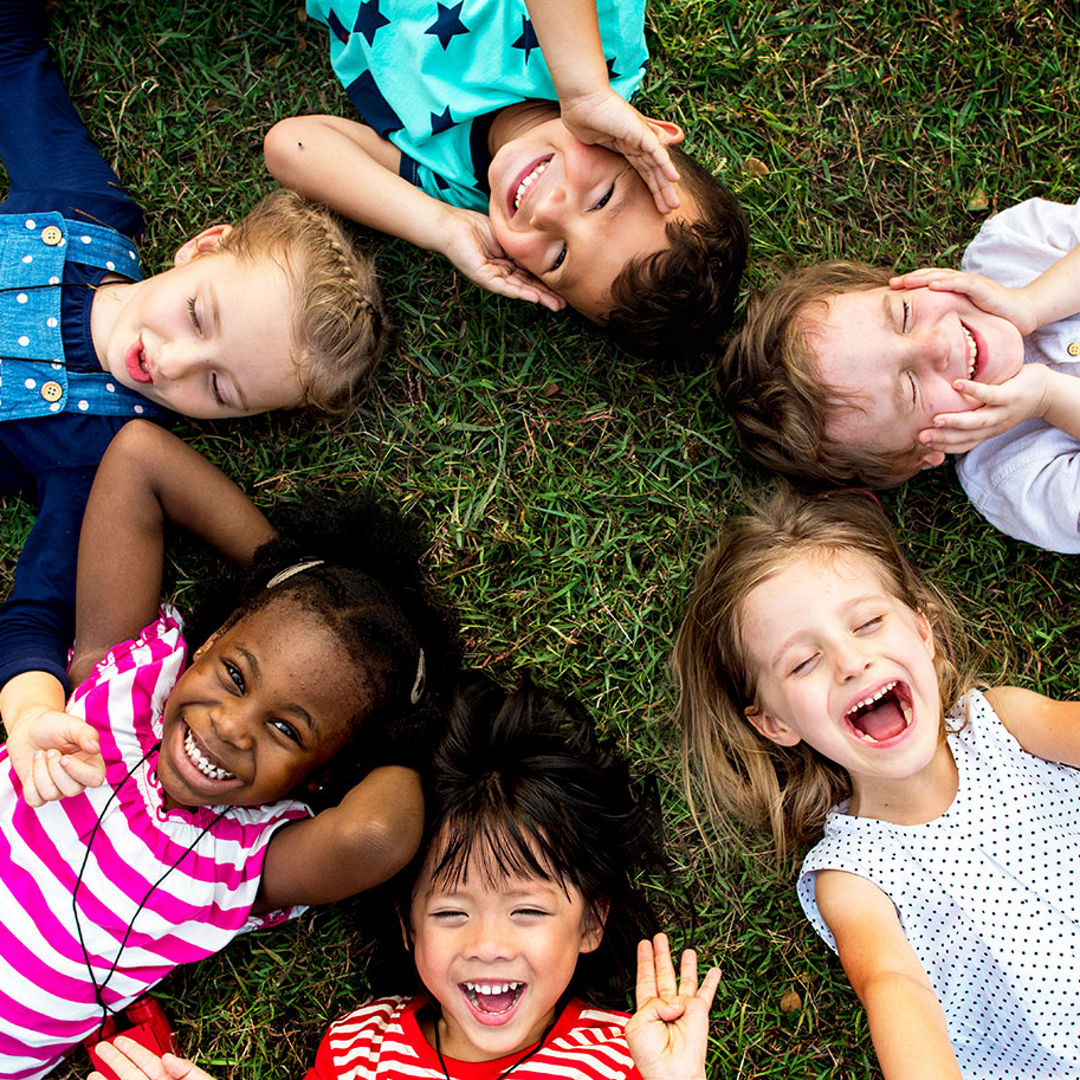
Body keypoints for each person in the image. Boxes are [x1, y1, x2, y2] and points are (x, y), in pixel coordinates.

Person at [0, 421, 458, 1080]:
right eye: (236, 676)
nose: (232, 726)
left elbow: (380, 834)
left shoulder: (238, 864)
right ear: (208, 643)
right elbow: (139, 458)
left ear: (322, 775)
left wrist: (414, 724)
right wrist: (289, 574)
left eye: (286, 731)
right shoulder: (118, 692)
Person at [0, 0, 388, 747]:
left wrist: (31, 714)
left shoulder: (93, 456)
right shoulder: (83, 209)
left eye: (216, 390)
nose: (172, 361)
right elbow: (16, 64)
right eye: (199, 316)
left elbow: (36, 615)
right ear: (205, 247)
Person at [87, 676, 721, 1080]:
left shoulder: (629, 1056)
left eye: (527, 911)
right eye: (451, 912)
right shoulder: (361, 1048)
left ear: (591, 923)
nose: (487, 944)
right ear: (408, 927)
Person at [673, 485, 1080, 1077]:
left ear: (923, 630)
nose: (850, 661)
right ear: (776, 723)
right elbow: (896, 989)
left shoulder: (1008, 723)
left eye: (867, 623)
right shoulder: (852, 876)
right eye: (802, 662)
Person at [263, 0, 748, 358]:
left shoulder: (453, 187)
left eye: (559, 257)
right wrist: (583, 90)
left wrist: (443, 227)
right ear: (647, 137)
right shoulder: (602, 51)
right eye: (601, 199)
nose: (549, 211)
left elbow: (292, 147)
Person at [720, 198, 1080, 553]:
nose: (936, 346)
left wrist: (1033, 302)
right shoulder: (1014, 477)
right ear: (923, 453)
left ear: (903, 284)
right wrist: (1050, 398)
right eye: (910, 388)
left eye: (904, 314)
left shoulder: (1012, 248)